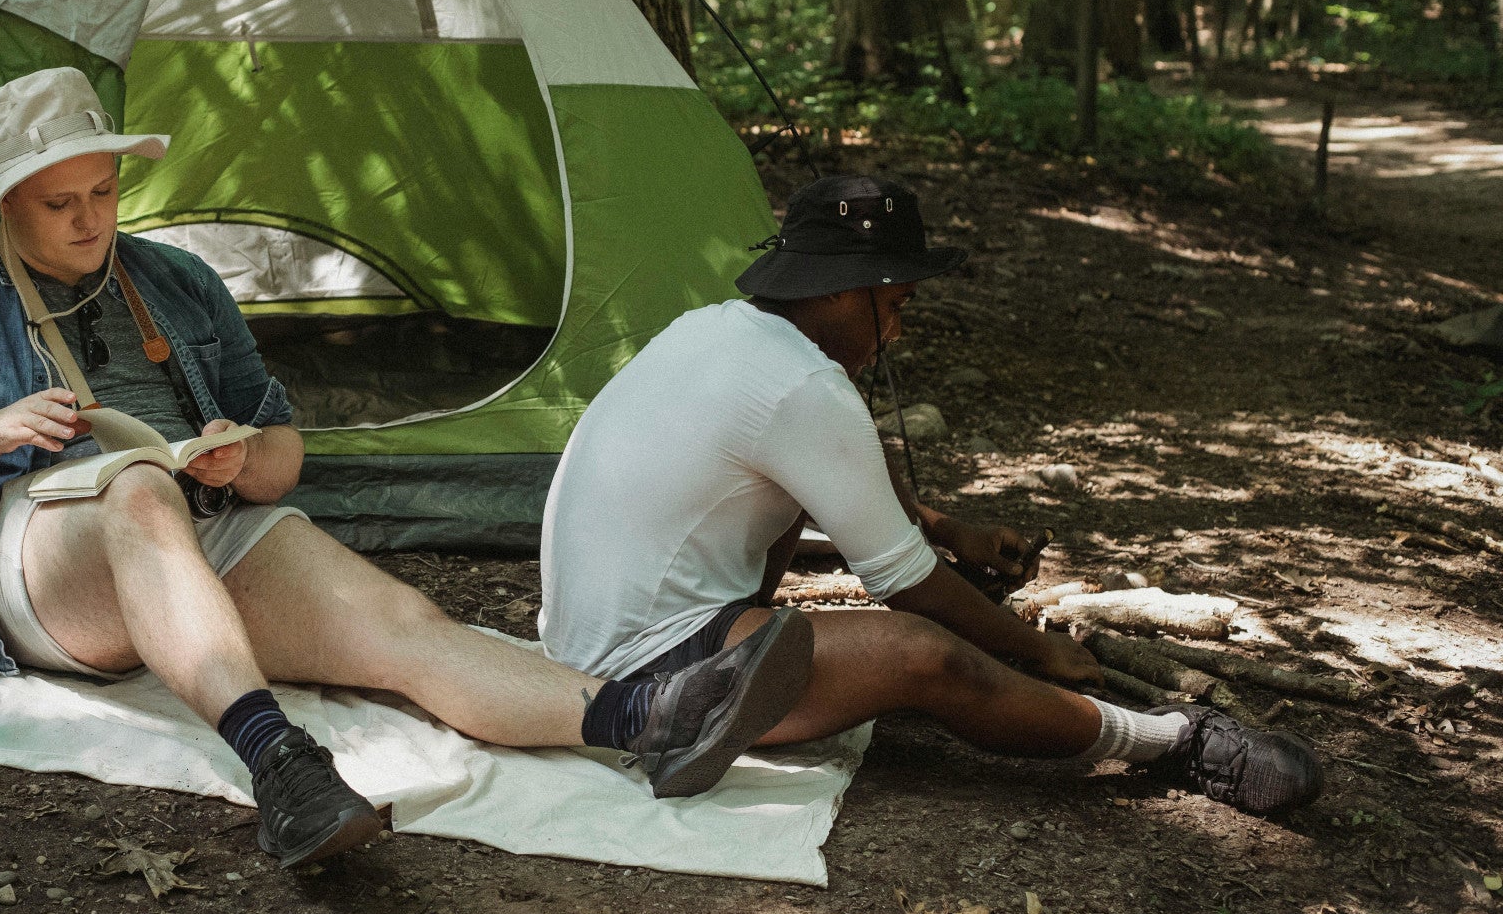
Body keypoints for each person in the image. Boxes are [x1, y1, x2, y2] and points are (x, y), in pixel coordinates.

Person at [0, 67, 815, 870]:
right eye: (59, 204)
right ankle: (281, 765)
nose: (90, 221)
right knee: (134, 489)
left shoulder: (174, 283)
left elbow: (281, 461)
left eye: (103, 192)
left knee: (398, 625)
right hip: (39, 569)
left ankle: (646, 713)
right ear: (2, 202)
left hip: (188, 527)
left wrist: (244, 453)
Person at [538, 173, 1324, 818]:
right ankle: (1168, 739)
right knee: (925, 652)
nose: (899, 332)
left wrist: (948, 526)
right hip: (644, 669)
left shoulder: (718, 332)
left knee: (811, 509)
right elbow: (904, 585)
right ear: (851, 290)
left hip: (576, 641)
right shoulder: (806, 386)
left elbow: (831, 459)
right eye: (898, 304)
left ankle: (731, 675)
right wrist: (1035, 645)